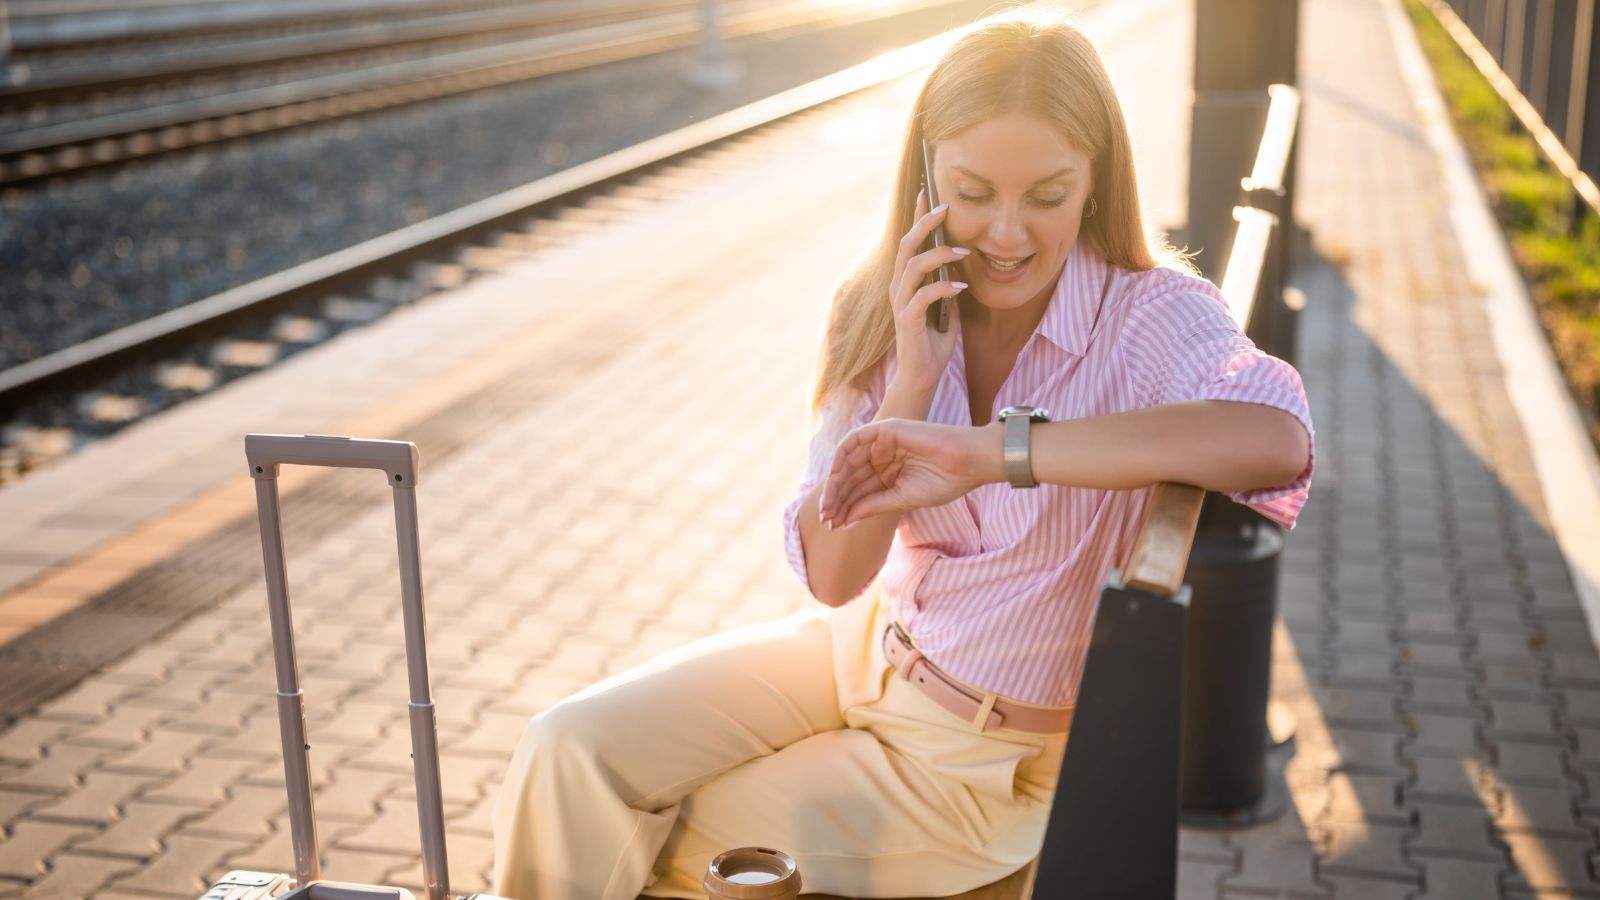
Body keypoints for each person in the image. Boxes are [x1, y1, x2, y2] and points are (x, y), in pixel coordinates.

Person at [490, 9, 1315, 900]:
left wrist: (999, 453)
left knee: (670, 843)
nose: (1006, 234)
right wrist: (911, 384)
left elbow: (1276, 439)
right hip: (863, 649)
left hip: (980, 764)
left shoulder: (1148, 314)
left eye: (1045, 194)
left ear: (1095, 180)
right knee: (567, 749)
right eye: (972, 190)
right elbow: (839, 574)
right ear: (925, 174)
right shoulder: (877, 306)